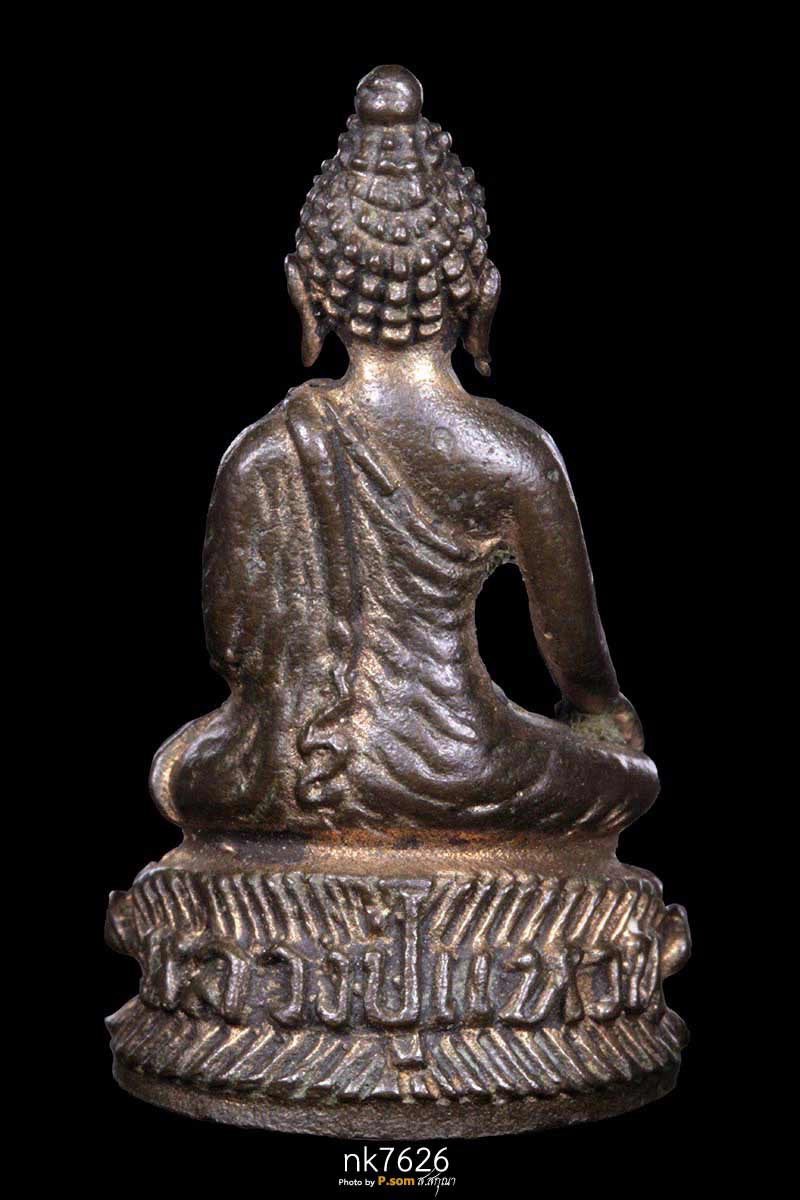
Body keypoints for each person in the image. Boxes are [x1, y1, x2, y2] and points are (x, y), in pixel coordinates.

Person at [151, 65, 658, 837]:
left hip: (293, 773)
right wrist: (605, 717)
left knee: (176, 770)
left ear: (306, 294)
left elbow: (236, 657)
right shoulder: (514, 455)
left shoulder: (258, 453)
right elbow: (583, 673)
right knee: (629, 779)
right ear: (483, 295)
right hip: (461, 763)